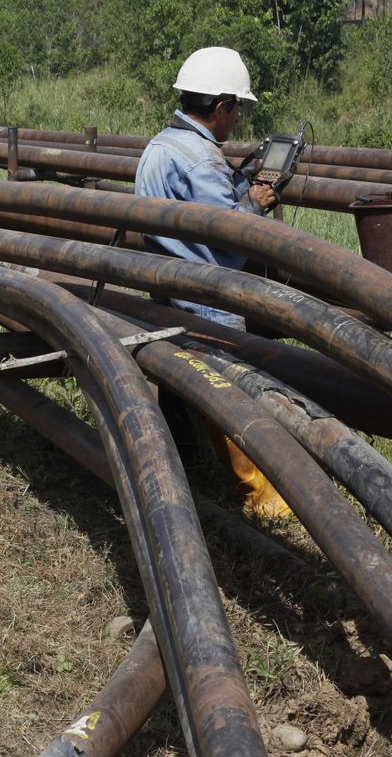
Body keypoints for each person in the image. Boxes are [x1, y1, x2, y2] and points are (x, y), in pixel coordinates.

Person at [135, 46, 289, 519]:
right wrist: (256, 204)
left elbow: (200, 218)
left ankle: (193, 471)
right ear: (221, 107)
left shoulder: (160, 145)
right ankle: (260, 497)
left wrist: (237, 193)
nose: (236, 119)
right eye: (236, 109)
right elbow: (226, 241)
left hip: (166, 286)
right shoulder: (201, 158)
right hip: (205, 296)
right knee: (225, 392)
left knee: (185, 386)